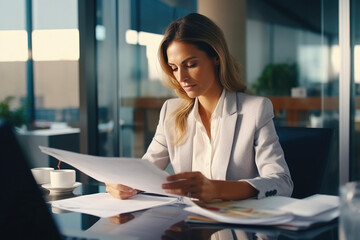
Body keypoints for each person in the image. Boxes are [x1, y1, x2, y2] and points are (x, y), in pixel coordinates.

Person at [106, 13, 293, 202]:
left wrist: (218, 189)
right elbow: (145, 171)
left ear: (216, 57)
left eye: (190, 64)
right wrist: (123, 183)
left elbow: (282, 182)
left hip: (238, 224)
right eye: (175, 68)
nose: (181, 78)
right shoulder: (170, 112)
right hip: (189, 222)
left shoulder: (255, 110)